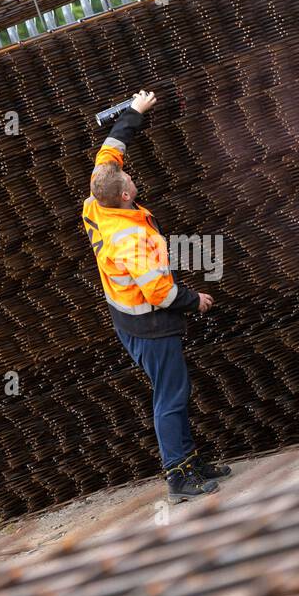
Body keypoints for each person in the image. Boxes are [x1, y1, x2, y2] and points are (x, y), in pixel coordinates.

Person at [82, 89, 231, 503]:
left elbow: (111, 151)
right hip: (148, 323)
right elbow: (160, 292)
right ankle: (178, 475)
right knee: (171, 396)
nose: (131, 177)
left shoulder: (96, 201)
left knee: (175, 392)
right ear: (125, 195)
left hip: (132, 317)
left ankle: (190, 460)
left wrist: (134, 111)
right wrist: (195, 301)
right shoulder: (131, 239)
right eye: (129, 180)